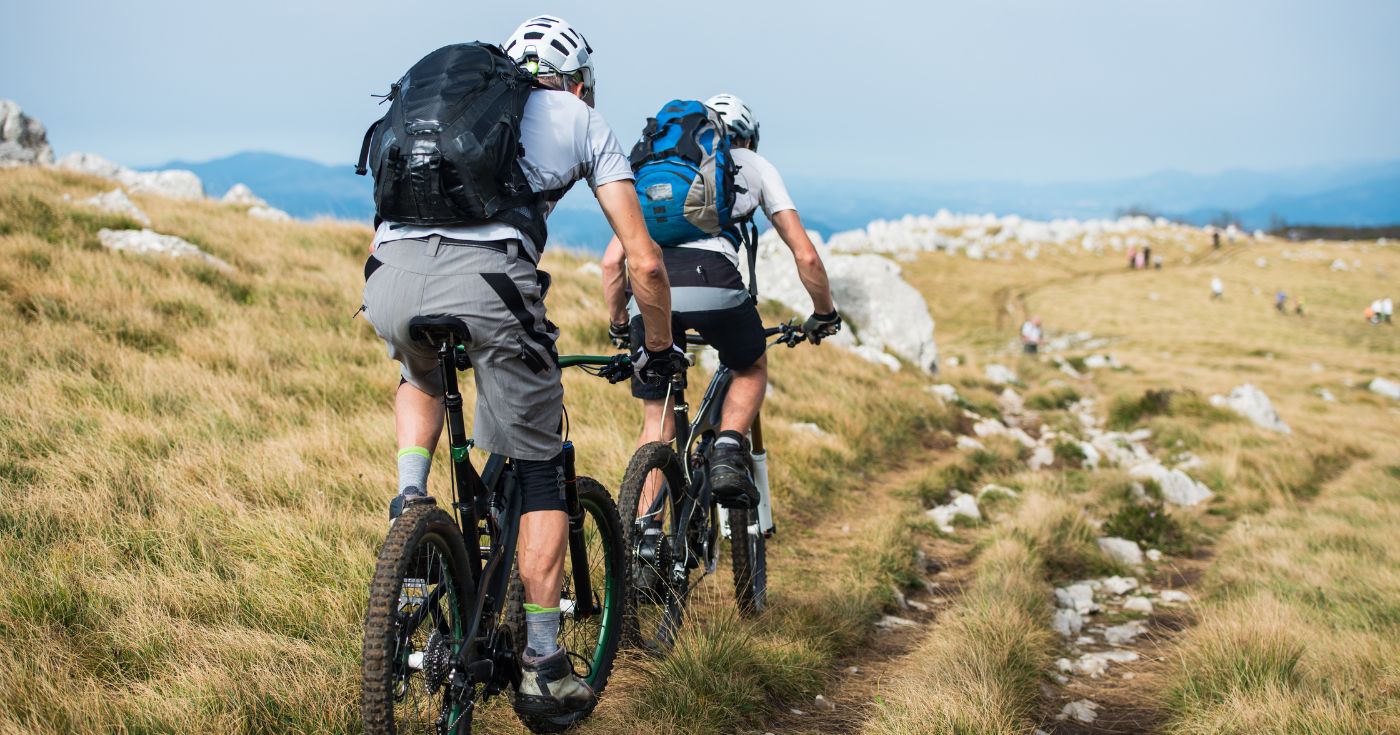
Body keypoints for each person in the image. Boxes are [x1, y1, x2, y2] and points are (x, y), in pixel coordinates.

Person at [361, 15, 681, 723]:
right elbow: (645, 260)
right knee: (541, 467)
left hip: (387, 280)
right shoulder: (577, 117)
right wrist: (655, 349)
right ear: (577, 81)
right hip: (488, 287)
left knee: (420, 376)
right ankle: (542, 663)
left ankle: (410, 501)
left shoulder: (441, 106)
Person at [602, 93, 839, 507]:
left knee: (656, 424)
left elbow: (610, 263)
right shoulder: (755, 165)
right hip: (716, 283)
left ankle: (642, 539)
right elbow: (805, 254)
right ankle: (729, 447)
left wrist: (620, 323)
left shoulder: (661, 170)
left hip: (649, 292)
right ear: (748, 139)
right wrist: (824, 313)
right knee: (750, 364)